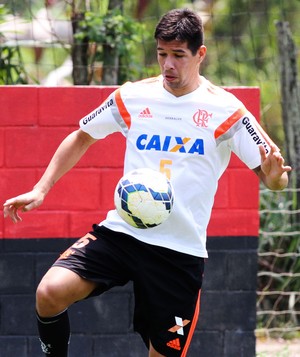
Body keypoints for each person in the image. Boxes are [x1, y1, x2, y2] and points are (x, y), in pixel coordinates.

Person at [3, 8, 292, 357]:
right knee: (49, 292)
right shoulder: (132, 96)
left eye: (178, 55)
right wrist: (41, 188)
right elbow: (81, 136)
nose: (168, 64)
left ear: (200, 54)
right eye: (162, 54)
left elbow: (273, 178)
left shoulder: (227, 110)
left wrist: (276, 177)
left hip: (179, 253)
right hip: (123, 235)